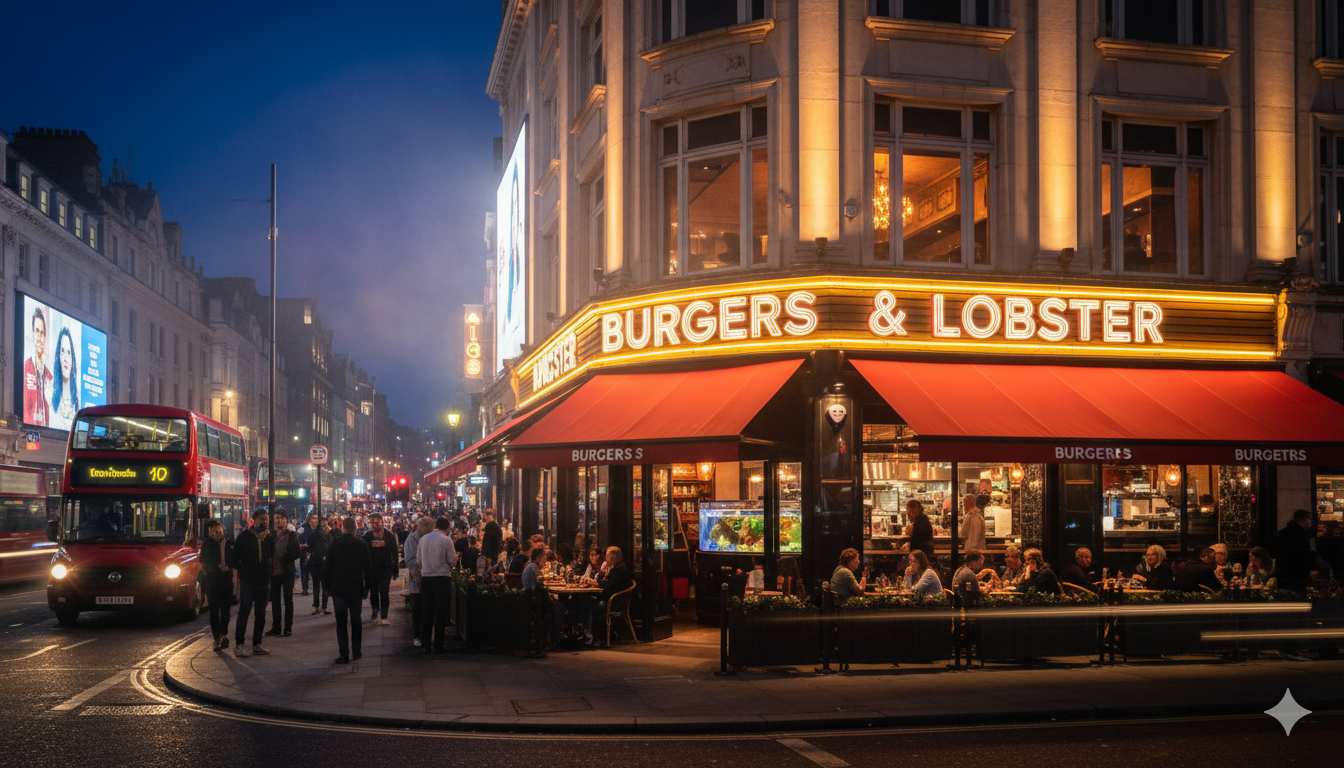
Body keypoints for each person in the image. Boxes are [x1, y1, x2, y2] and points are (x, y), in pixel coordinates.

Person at [323, 517, 372, 664]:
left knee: (341, 621)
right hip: (356, 586)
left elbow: (328, 567)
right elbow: (367, 568)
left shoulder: (335, 544)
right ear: (355, 528)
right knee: (356, 620)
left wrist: (327, 587)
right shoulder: (362, 544)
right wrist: (367, 587)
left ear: (343, 528)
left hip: (339, 587)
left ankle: (344, 653)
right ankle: (356, 651)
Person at [232, 511, 274, 657]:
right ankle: (239, 644)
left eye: (266, 520)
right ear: (254, 520)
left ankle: (257, 644)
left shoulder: (269, 538)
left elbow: (273, 557)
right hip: (248, 582)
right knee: (244, 612)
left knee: (261, 613)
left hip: (264, 581)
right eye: (262, 519)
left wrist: (269, 571)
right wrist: (245, 571)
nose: (264, 522)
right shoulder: (244, 537)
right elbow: (235, 559)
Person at [418, 516, 458, 653]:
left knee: (427, 612)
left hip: (426, 579)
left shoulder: (423, 539)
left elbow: (419, 561)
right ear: (447, 528)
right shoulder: (447, 540)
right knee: (441, 613)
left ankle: (426, 644)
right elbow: (452, 561)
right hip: (441, 579)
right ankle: (439, 644)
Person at [579, 546, 633, 645]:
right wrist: (602, 573)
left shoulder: (621, 569)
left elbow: (611, 585)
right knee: (583, 601)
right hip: (605, 598)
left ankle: (591, 635)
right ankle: (585, 632)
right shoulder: (609, 567)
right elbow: (599, 579)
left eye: (608, 555)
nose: (606, 557)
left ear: (614, 556)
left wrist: (598, 583)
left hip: (613, 602)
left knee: (590, 606)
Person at [199, 518, 234, 651]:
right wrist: (217, 567)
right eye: (213, 531)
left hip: (226, 580)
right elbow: (204, 562)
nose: (216, 533)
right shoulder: (207, 545)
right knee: (214, 610)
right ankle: (216, 638)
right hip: (212, 581)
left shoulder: (229, 543)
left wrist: (229, 566)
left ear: (222, 530)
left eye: (218, 530)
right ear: (209, 533)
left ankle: (223, 634)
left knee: (226, 609)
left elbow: (234, 558)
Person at [265, 512, 300, 637]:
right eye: (276, 518)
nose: (278, 521)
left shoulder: (292, 535)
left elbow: (296, 552)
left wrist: (284, 558)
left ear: (286, 520)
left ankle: (288, 627)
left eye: (281, 518)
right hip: (274, 573)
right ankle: (276, 627)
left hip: (287, 572)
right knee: (275, 601)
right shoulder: (271, 536)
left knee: (288, 600)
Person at [522, 545, 565, 648]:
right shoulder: (534, 568)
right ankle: (556, 639)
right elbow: (540, 587)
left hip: (531, 601)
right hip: (537, 603)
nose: (545, 562)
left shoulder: (529, 566)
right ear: (540, 557)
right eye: (545, 559)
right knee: (560, 608)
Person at [362, 512, 400, 626]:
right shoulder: (367, 536)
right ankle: (375, 608)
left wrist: (395, 569)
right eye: (372, 522)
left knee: (384, 592)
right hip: (371, 569)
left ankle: (384, 616)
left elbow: (394, 553)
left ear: (382, 522)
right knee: (373, 591)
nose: (374, 525)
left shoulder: (389, 536)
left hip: (385, 569)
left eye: (376, 522)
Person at [404, 517, 433, 647]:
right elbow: (410, 560)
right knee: (417, 609)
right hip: (417, 580)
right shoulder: (412, 539)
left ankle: (426, 635)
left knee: (428, 609)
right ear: (420, 527)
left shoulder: (430, 538)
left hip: (429, 578)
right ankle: (417, 635)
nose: (429, 531)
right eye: (427, 529)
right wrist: (417, 574)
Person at [1272, 509, 1314, 597]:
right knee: (1298, 599)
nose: (1310, 522)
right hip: (1297, 575)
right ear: (1304, 519)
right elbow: (1304, 556)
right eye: (1309, 519)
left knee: (1284, 599)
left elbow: (1273, 551)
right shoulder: (1301, 535)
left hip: (1282, 573)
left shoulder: (1281, 533)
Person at [23, 305, 52, 427]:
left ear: (45, 337)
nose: (40, 337)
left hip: (46, 434)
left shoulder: (49, 376)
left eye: (42, 333)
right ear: (33, 333)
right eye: (37, 331)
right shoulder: (26, 368)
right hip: (27, 432)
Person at [50, 327, 79, 428]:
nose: (66, 358)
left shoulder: (77, 400)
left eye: (68, 352)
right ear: (58, 356)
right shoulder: (51, 395)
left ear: (72, 358)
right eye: (62, 351)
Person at [307, 517, 332, 615]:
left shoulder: (316, 536)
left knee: (319, 585)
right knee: (322, 585)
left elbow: (309, 547)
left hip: (318, 563)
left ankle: (319, 606)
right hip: (320, 562)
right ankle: (321, 606)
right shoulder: (323, 536)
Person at [298, 513, 320, 596]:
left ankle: (316, 589)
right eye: (312, 518)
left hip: (316, 554)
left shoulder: (319, 529)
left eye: (316, 518)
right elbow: (299, 541)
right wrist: (304, 545)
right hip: (305, 553)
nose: (314, 520)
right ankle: (305, 588)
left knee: (316, 573)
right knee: (305, 572)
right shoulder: (303, 528)